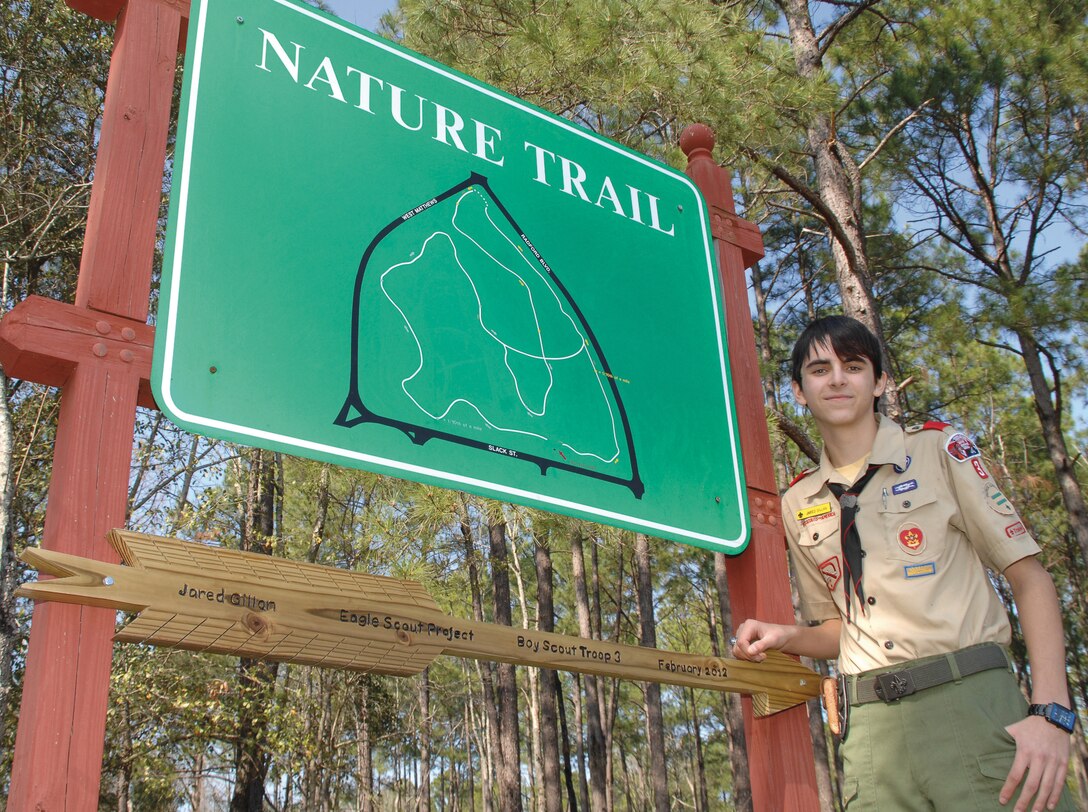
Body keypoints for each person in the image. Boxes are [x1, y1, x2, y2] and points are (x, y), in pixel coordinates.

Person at [732, 315, 1075, 812]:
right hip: (871, 734)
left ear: (880, 381)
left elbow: (1031, 578)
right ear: (798, 391)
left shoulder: (938, 450)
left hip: (972, 707)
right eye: (820, 368)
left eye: (853, 365)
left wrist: (1051, 713)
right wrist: (787, 636)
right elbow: (838, 628)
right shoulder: (798, 501)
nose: (837, 379)